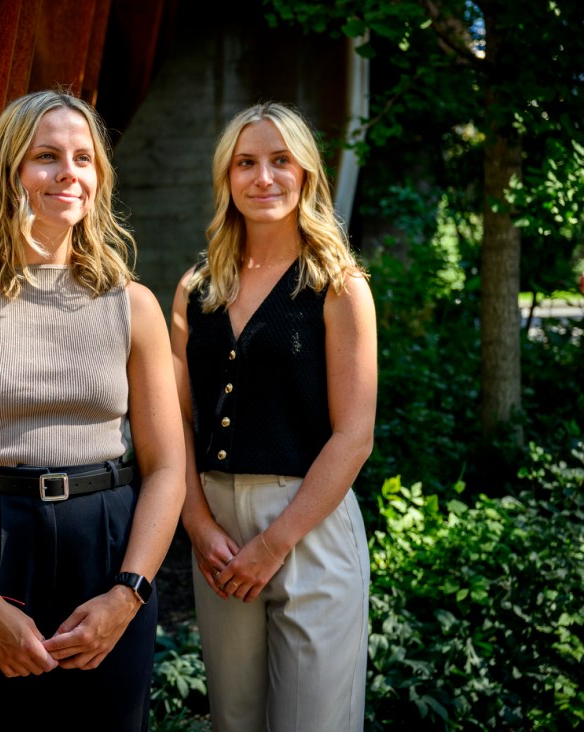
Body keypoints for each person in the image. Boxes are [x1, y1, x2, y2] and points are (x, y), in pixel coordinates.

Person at [0, 89, 185, 732]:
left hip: (108, 551)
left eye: (84, 159)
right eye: (47, 156)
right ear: (10, 171)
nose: (69, 174)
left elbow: (168, 466)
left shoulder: (132, 304)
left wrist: (128, 593)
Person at [170, 102, 377, 731]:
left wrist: (273, 544)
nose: (264, 177)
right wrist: (199, 525)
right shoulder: (195, 289)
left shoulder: (339, 286)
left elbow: (354, 437)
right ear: (226, 178)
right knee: (235, 721)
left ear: (307, 173)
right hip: (218, 536)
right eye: (246, 163)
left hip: (309, 525)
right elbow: (175, 422)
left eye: (280, 160)